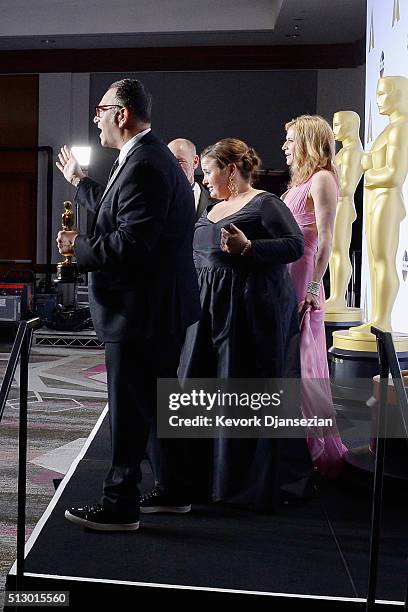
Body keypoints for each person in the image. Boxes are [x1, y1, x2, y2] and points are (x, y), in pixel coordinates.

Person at [56, 78, 200, 531]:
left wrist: (77, 246)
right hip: (155, 307)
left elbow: (130, 244)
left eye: (100, 109)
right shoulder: (141, 158)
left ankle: (120, 503)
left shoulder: (145, 164)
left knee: (129, 407)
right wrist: (80, 183)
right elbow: (115, 209)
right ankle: (175, 490)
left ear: (122, 114)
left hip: (141, 311)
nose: (94, 118)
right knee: (155, 403)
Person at [175, 138, 313, 511]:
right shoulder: (215, 206)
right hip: (205, 313)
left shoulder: (265, 203)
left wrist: (250, 248)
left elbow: (294, 246)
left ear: (231, 170)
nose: (204, 180)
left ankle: (241, 483)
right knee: (198, 385)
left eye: (209, 172)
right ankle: (196, 479)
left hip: (248, 311)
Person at [281, 114, 347, 477]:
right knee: (292, 365)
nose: (285, 147)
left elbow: (326, 240)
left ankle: (313, 453)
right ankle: (293, 450)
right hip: (287, 277)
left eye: (291, 140)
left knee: (306, 367)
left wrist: (311, 288)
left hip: (305, 279)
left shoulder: (322, 179)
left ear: (307, 141)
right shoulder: (299, 183)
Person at [349, 76, 408, 338]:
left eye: (383, 94)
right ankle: (377, 318)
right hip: (377, 198)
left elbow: (395, 175)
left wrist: (369, 173)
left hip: (386, 198)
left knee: (383, 260)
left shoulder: (400, 129)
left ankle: (382, 321)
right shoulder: (390, 129)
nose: (378, 100)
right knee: (375, 261)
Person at [326, 111, 363, 312]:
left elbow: (347, 186)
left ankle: (339, 296)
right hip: (338, 203)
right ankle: (336, 295)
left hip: (343, 203)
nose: (334, 130)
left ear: (350, 125)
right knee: (334, 251)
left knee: (339, 251)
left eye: (338, 125)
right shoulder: (344, 152)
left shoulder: (351, 152)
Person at [168, 138, 212, 219]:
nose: (172, 167)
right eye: (168, 162)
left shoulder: (215, 198)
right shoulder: (154, 198)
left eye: (179, 161)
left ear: (195, 162)